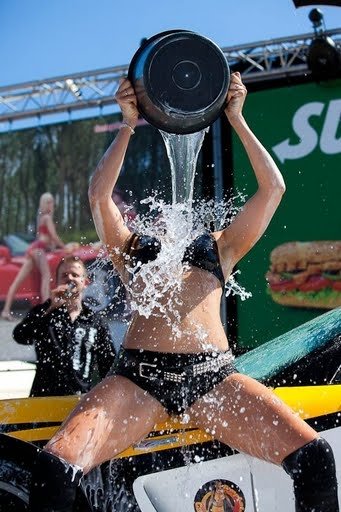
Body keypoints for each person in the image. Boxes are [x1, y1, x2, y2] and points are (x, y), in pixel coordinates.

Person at [28, 74, 339, 512]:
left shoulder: (219, 246)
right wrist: (128, 124)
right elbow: (99, 195)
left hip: (213, 378)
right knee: (53, 471)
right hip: (139, 379)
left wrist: (238, 119)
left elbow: (274, 189)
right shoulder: (130, 249)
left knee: (315, 459)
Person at [13, 255, 116, 396]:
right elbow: (20, 336)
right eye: (64, 275)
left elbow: (108, 365)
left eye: (75, 274)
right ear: (57, 282)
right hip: (44, 399)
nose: (70, 278)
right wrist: (49, 308)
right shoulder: (44, 312)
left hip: (79, 400)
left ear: (85, 282)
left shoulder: (95, 321)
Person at [1, 192, 65, 321]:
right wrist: (64, 246)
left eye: (52, 202)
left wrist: (53, 247)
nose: (52, 204)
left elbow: (46, 238)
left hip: (33, 249)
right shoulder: (47, 218)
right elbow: (53, 236)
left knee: (18, 281)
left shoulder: (41, 217)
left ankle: (6, 311)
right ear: (46, 203)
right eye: (50, 202)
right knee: (46, 277)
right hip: (38, 250)